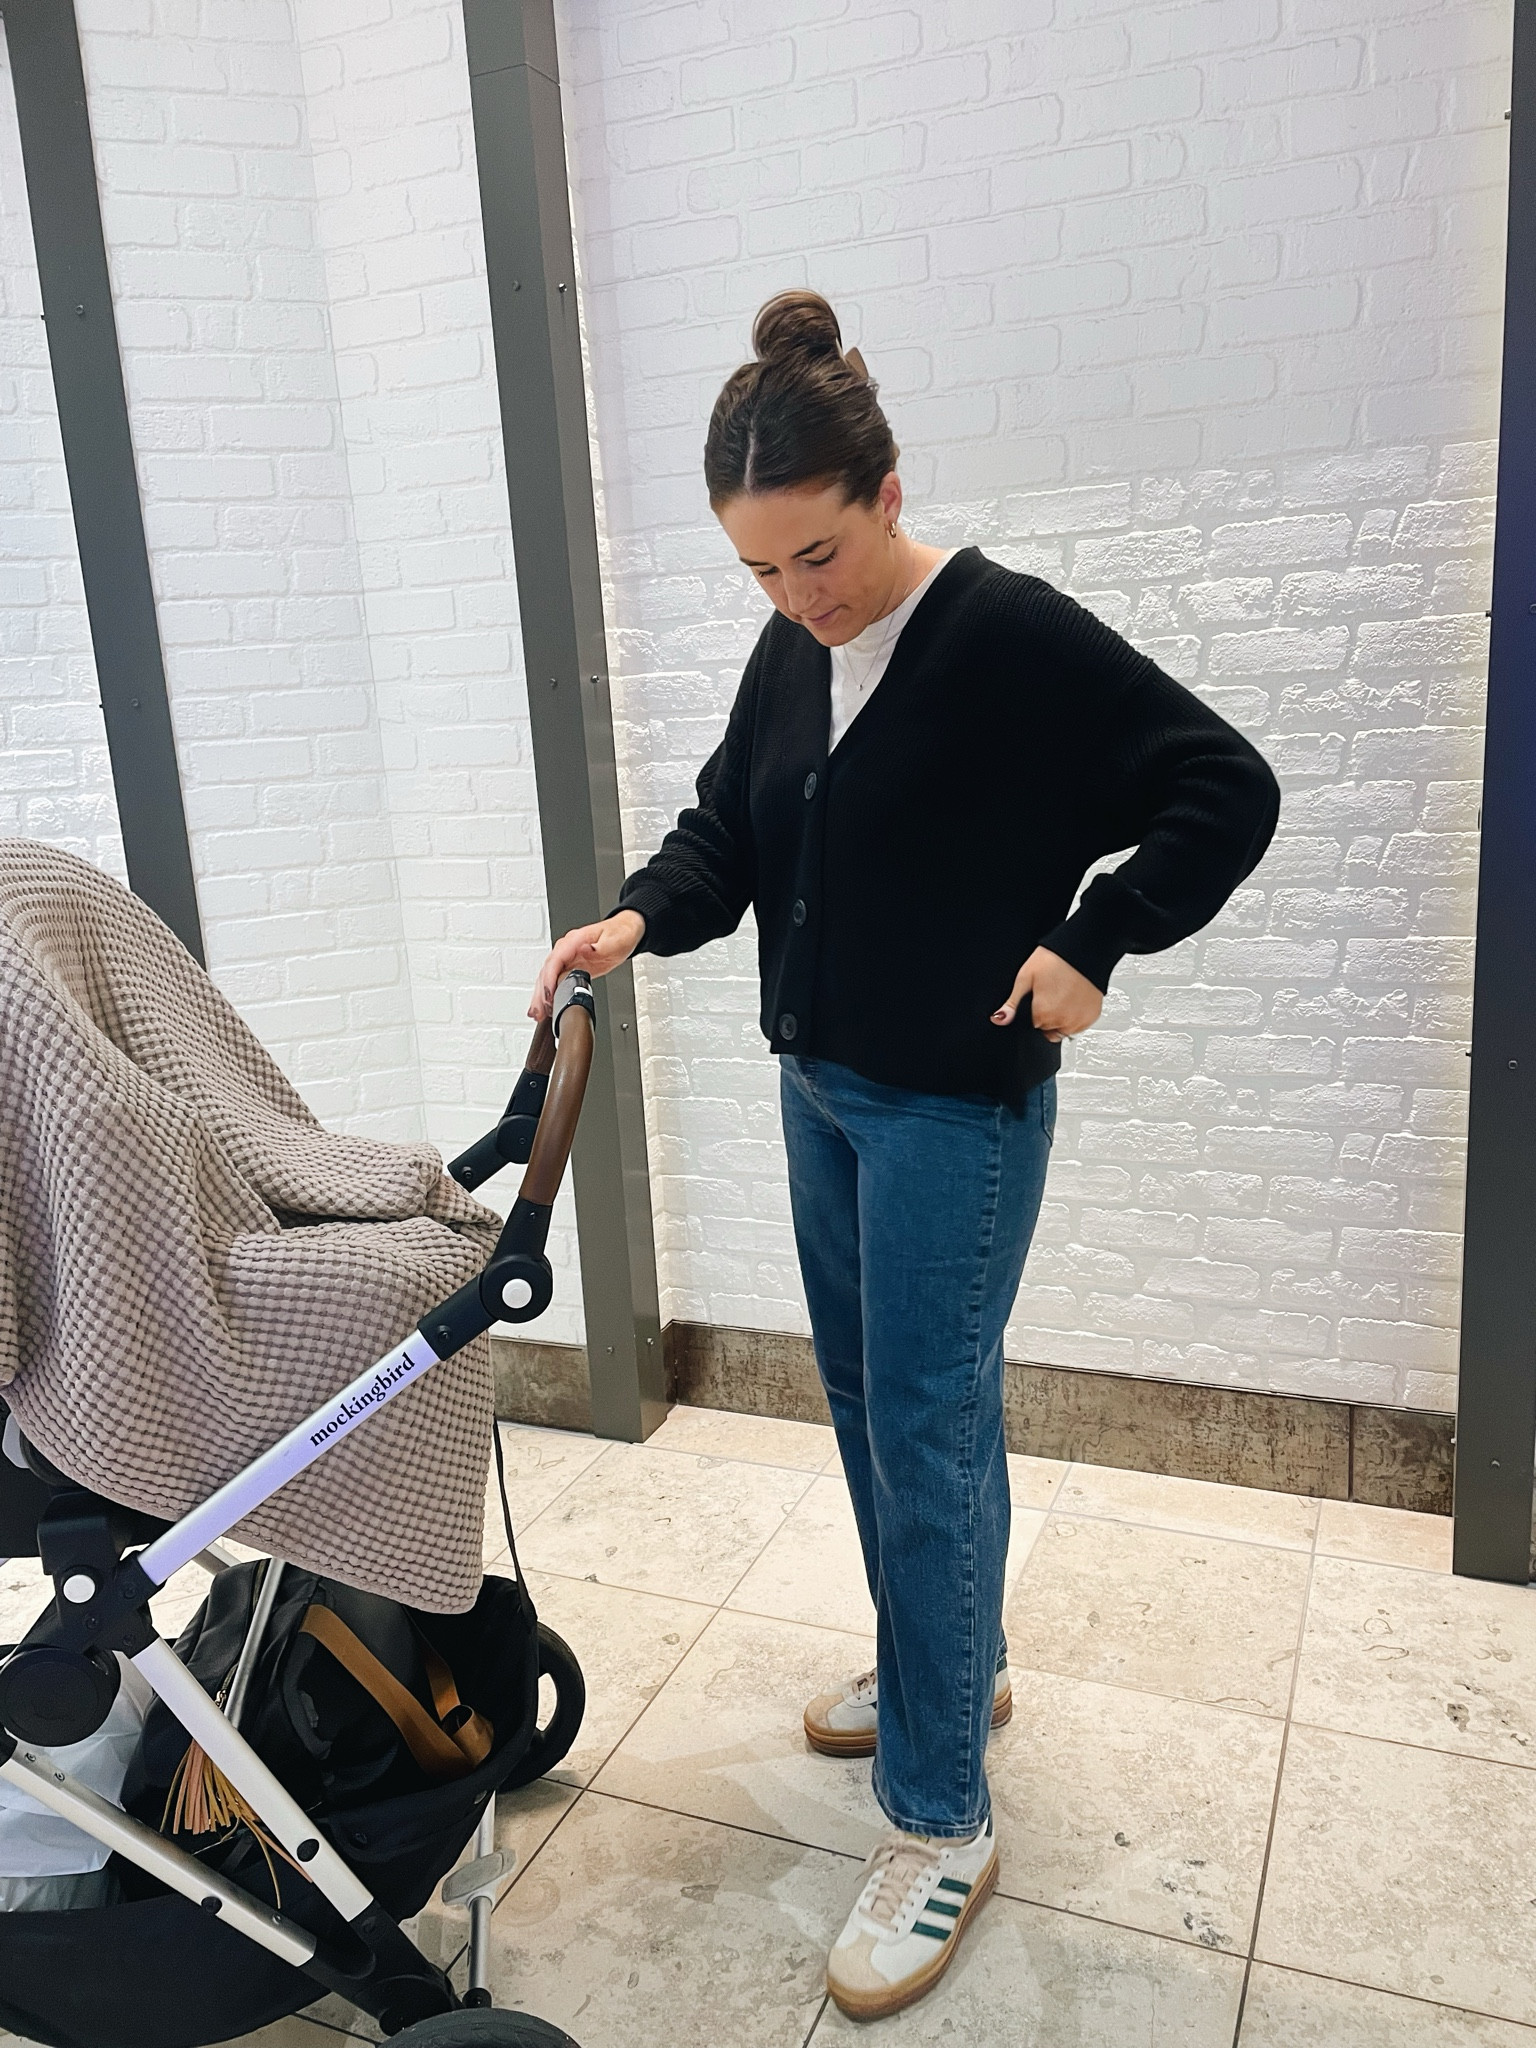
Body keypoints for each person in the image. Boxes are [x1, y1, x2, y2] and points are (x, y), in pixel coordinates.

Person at [530, 289, 1280, 2020]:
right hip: (826, 1090)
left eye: (815, 556)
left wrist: (1100, 939)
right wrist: (641, 915)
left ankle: (940, 1810)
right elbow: (735, 820)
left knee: (930, 1427)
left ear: (883, 489)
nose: (798, 600)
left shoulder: (1006, 634)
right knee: (883, 1408)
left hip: (956, 1104)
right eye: (760, 573)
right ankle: (948, 1670)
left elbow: (1219, 785)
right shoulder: (795, 646)